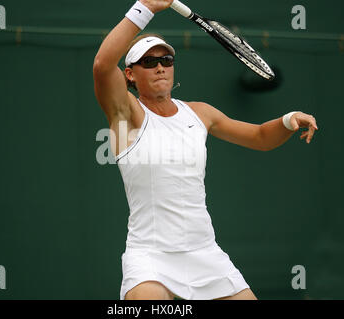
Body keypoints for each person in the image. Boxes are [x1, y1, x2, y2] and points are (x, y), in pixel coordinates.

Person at [93, 0, 318, 300]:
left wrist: (288, 121)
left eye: (166, 60)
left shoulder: (200, 113)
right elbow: (102, 65)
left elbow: (261, 137)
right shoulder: (126, 114)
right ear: (130, 74)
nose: (160, 66)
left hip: (205, 253)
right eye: (148, 62)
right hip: (150, 257)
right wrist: (145, 8)